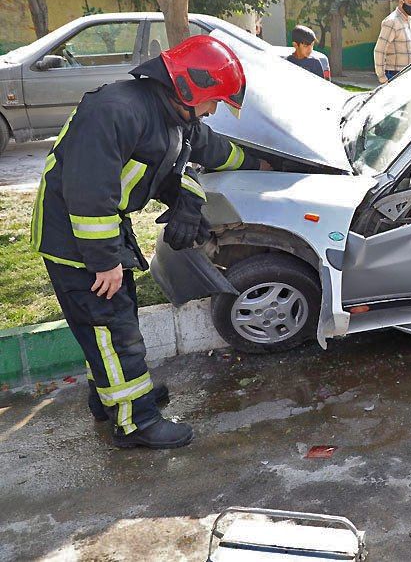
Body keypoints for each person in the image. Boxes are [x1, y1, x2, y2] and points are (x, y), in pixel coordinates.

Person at [31, 35, 267, 450]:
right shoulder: (114, 112)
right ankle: (135, 422)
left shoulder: (172, 117)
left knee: (108, 328)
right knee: (112, 328)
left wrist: (265, 164)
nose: (213, 110)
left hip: (100, 232)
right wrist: (104, 261)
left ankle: (110, 399)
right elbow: (87, 194)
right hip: (75, 240)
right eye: (213, 100)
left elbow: (213, 150)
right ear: (189, 88)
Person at [374, 0, 411, 84]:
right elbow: (379, 50)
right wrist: (382, 77)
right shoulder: (392, 22)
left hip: (408, 75)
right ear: (401, 2)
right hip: (395, 75)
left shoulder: (408, 20)